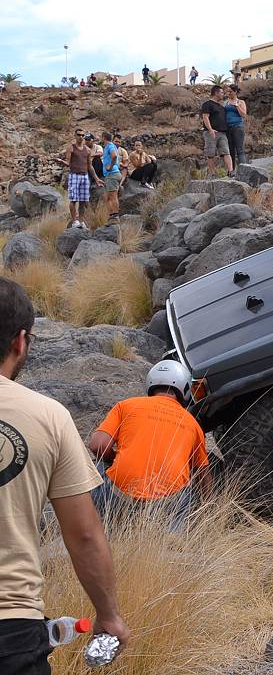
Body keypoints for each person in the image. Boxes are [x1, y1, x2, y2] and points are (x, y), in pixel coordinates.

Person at [0, 278, 130, 674]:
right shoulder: (48, 416)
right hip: (11, 629)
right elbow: (84, 533)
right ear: (21, 341)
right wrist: (108, 617)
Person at [87, 360, 212, 530]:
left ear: (151, 385)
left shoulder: (126, 405)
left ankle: (94, 527)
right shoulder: (193, 424)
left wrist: (114, 459)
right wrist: (209, 511)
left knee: (98, 467)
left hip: (117, 496)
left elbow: (97, 445)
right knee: (188, 486)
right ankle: (172, 538)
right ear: (184, 388)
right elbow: (203, 476)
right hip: (167, 504)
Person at [63, 129, 101, 228]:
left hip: (84, 176)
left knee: (83, 200)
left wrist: (96, 178)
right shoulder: (71, 148)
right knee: (73, 199)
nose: (81, 137)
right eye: (79, 135)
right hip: (74, 175)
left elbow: (90, 166)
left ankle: (81, 221)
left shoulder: (87, 150)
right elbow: (68, 162)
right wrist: (61, 161)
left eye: (82, 135)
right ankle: (74, 221)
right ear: (75, 136)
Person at [201, 85, 232, 176]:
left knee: (226, 152)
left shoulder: (221, 107)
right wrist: (210, 130)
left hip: (222, 133)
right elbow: (205, 117)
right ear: (216, 93)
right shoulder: (207, 104)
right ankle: (212, 174)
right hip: (211, 133)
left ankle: (231, 172)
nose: (223, 94)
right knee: (211, 154)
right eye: (222, 92)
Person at [223, 84, 247, 171]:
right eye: (228, 91)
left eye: (230, 91)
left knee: (240, 149)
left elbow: (244, 115)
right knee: (230, 150)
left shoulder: (241, 102)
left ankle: (244, 171)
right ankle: (231, 172)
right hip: (227, 128)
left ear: (235, 92)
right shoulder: (225, 102)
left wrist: (237, 106)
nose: (228, 93)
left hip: (238, 127)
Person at [100, 131, 122, 222]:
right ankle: (112, 215)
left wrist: (110, 166)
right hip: (111, 175)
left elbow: (114, 156)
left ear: (103, 138)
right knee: (107, 197)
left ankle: (115, 216)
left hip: (112, 174)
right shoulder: (108, 147)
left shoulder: (110, 146)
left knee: (113, 196)